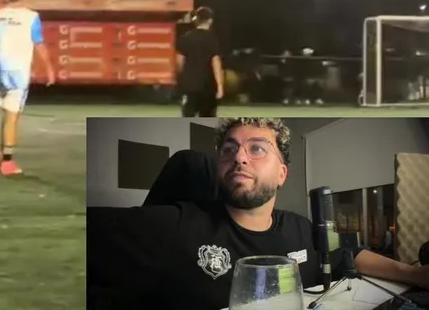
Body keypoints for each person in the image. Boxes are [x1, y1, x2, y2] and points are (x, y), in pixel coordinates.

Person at [86, 117, 429, 310]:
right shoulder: (172, 226)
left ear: (282, 174)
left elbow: (349, 254)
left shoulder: (300, 229)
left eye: (257, 149)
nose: (239, 157)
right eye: (229, 150)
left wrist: (414, 274)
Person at [0, 0, 53, 176]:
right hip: (18, 73)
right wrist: (49, 68)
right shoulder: (31, 16)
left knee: (7, 113)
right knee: (12, 116)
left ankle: (4, 153)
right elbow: (39, 43)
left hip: (0, 69)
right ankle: (7, 162)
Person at [177, 6, 223, 118]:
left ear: (196, 20)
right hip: (208, 87)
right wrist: (220, 86)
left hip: (190, 86)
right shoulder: (213, 39)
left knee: (187, 117)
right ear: (210, 21)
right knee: (208, 120)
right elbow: (216, 63)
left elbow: (179, 61)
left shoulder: (187, 37)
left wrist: (182, 77)